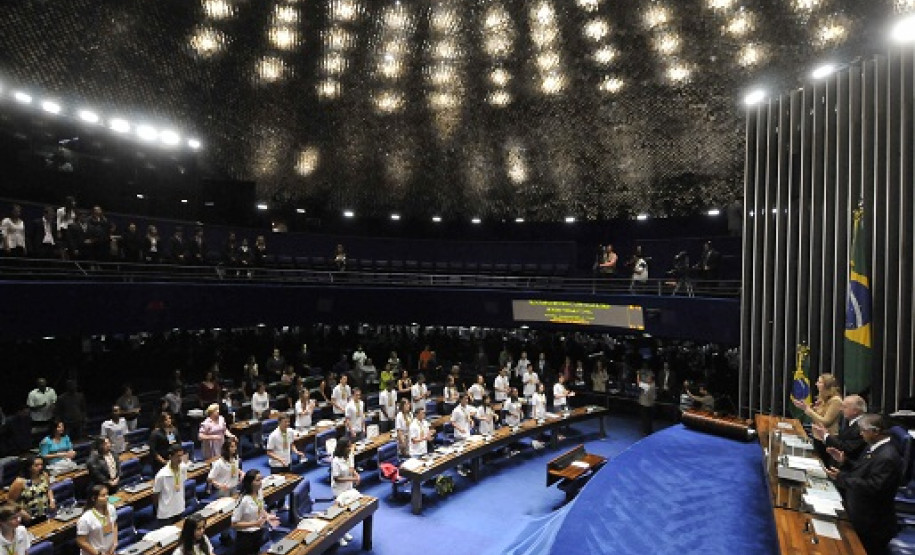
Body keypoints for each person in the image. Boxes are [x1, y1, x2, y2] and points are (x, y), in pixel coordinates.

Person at [825, 414, 902, 555]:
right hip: (860, 513)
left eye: (863, 430)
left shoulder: (887, 457)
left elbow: (874, 487)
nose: (860, 434)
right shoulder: (874, 447)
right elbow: (864, 470)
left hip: (872, 524)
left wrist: (842, 478)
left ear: (876, 432)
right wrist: (844, 461)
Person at [232, 470, 280, 554]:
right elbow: (234, 524)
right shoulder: (243, 500)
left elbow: (260, 507)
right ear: (250, 482)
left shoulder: (259, 492)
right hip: (245, 537)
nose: (261, 482)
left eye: (261, 479)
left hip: (258, 532)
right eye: (257, 480)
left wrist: (267, 516)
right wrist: (255, 524)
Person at [812, 394, 868, 465]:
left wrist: (826, 435)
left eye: (845, 407)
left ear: (855, 411)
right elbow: (840, 439)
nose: (841, 409)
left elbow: (846, 448)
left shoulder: (862, 426)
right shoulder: (846, 421)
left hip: (850, 467)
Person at [8, 455, 54, 524]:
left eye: (41, 464)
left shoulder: (44, 475)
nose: (40, 467)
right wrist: (22, 513)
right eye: (36, 465)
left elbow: (49, 488)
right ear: (29, 467)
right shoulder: (20, 482)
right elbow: (10, 501)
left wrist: (52, 500)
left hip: (43, 512)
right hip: (27, 516)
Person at [75, 485, 117, 555]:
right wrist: (98, 554)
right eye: (103, 495)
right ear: (94, 498)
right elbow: (81, 541)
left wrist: (115, 543)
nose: (107, 497)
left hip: (109, 551)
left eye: (107, 494)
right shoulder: (86, 518)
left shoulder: (111, 508)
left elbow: (114, 524)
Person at [152, 444, 187, 527]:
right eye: (177, 456)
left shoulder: (183, 468)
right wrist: (159, 509)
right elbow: (155, 494)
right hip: (166, 513)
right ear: (170, 457)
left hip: (179, 507)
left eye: (181, 456)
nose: (180, 459)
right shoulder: (161, 475)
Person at [637, 370, 657, 435]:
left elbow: (638, 382)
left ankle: (646, 431)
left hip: (645, 404)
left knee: (645, 419)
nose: (647, 379)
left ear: (651, 379)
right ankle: (650, 430)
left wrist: (638, 374)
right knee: (649, 419)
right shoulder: (653, 385)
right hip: (651, 404)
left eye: (648, 378)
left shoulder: (648, 386)